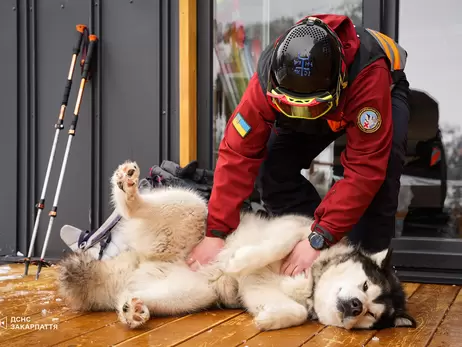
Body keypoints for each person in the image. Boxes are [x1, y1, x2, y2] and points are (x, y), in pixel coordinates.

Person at [187, 14, 410, 276]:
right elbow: (238, 152)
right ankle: (306, 240)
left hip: (380, 91)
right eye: (291, 106)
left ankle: (370, 271)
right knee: (271, 166)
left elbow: (365, 169)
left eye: (309, 109)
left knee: (383, 169)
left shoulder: (367, 74)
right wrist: (216, 232)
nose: (303, 115)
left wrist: (320, 238)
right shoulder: (268, 76)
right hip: (316, 100)